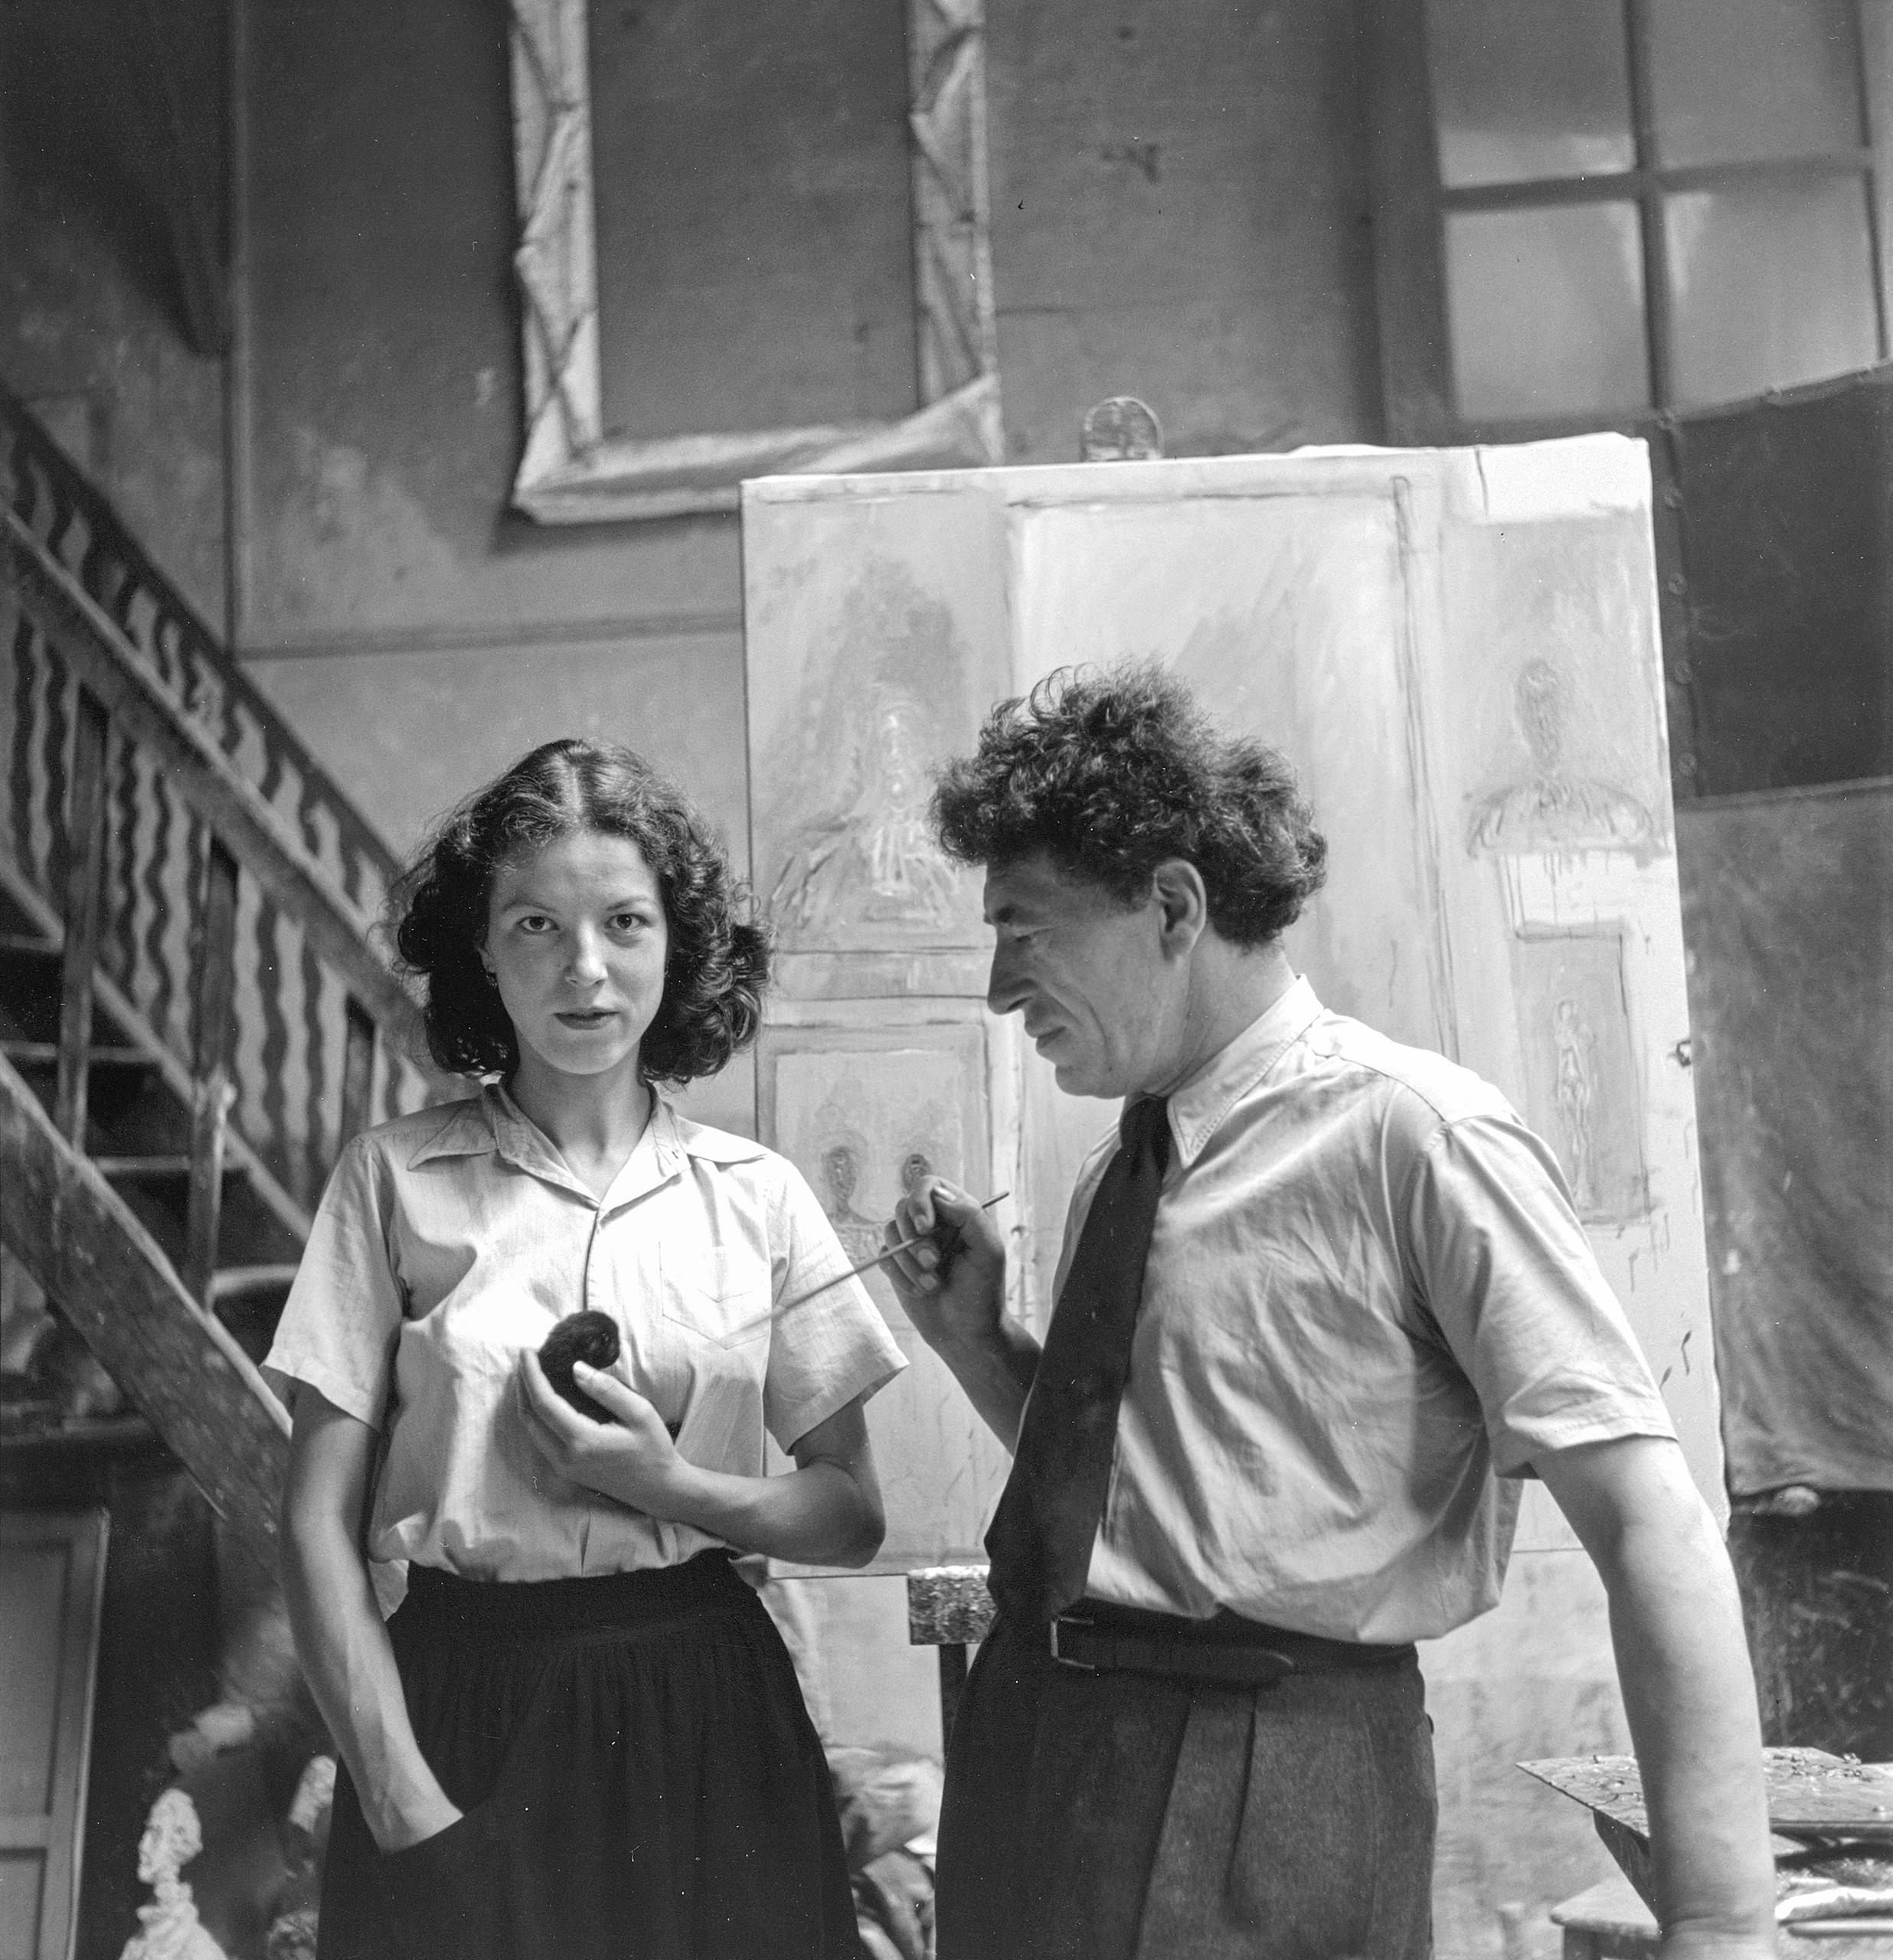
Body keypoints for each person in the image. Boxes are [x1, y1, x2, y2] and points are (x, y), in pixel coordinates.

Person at [883, 667, 1776, 1960]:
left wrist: (1720, 1925)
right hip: (1047, 1751)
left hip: (1270, 1779)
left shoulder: (1415, 1134)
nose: (998, 988)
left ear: (1174, 906)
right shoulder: (1123, 1167)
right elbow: (1156, 1494)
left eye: (1025, 931)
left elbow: (1649, 1521)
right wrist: (980, 1342)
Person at [267, 739, 907, 1960]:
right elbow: (311, 1524)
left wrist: (675, 1490)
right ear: (479, 955)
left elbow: (850, 1514)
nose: (586, 970)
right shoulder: (391, 1182)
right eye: (534, 927)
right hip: (465, 1707)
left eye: (624, 922)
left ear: (679, 942)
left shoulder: (758, 1196)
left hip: (711, 1717)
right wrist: (407, 1808)